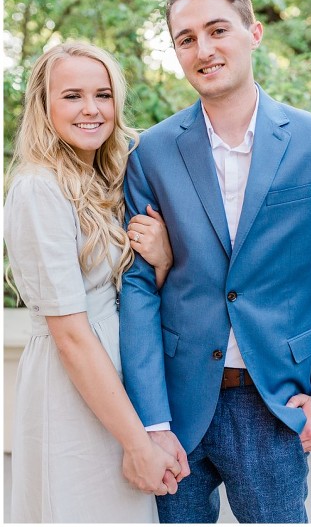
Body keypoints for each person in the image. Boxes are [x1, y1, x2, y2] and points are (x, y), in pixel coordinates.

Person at [118, 0, 311, 523]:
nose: (204, 49)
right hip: (176, 407)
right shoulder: (151, 153)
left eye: (217, 30)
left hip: (275, 404)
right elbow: (138, 289)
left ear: (254, 32)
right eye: (186, 39)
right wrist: (150, 422)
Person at [4, 42, 188, 523]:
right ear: (44, 107)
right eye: (72, 96)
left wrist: (163, 259)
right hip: (72, 391)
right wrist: (138, 442)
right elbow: (70, 334)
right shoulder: (38, 189)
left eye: (102, 95)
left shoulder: (107, 179)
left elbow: (130, 296)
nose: (91, 109)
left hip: (120, 386)